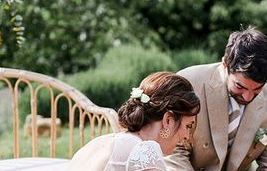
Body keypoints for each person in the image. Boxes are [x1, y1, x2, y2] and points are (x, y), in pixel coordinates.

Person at [165, 27, 267, 171]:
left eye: (257, 89)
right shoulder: (188, 82)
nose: (247, 97)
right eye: (240, 86)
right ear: (225, 65)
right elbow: (172, 150)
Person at [68, 71, 200, 171]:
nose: (187, 137)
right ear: (168, 120)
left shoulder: (100, 142)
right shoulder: (145, 152)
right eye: (188, 126)